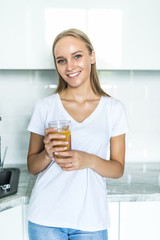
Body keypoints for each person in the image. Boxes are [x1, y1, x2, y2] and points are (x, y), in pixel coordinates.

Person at [27, 28, 129, 240]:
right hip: (45, 219)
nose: (70, 66)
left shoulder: (114, 108)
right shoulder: (45, 106)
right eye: (61, 60)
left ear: (92, 56)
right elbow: (32, 166)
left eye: (77, 56)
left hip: (91, 220)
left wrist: (88, 159)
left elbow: (117, 169)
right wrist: (47, 153)